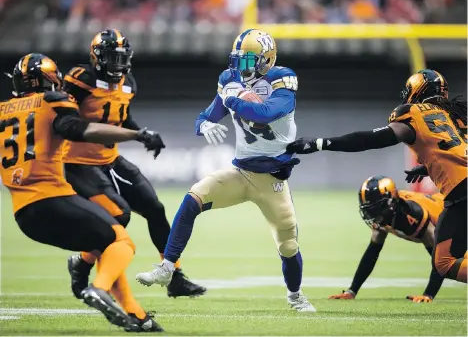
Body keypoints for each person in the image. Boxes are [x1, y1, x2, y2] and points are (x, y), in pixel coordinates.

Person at [136, 29, 316, 312]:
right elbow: (205, 116)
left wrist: (234, 98)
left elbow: (266, 113)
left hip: (273, 181)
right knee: (192, 198)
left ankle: (295, 296)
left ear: (266, 60)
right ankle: (167, 267)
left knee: (288, 245)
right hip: (241, 172)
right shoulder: (230, 79)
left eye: (247, 61)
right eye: (238, 60)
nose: (239, 67)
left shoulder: (282, 78)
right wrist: (205, 125)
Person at [0, 53, 164, 331]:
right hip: (53, 199)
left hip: (23, 214)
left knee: (104, 244)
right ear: (52, 80)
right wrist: (134, 135)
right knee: (122, 242)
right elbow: (76, 128)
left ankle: (136, 316)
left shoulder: (3, 109)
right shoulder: (51, 101)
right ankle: (98, 288)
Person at [62, 29, 206, 299]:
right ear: (96, 57)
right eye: (111, 58)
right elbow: (65, 119)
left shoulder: (128, 83)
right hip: (78, 162)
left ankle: (173, 276)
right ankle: (82, 264)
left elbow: (121, 118)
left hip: (111, 159)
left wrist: (143, 135)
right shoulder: (81, 79)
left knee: (154, 208)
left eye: (121, 58)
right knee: (119, 216)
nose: (117, 64)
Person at [287, 69, 467, 283]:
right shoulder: (455, 116)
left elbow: (371, 139)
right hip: (460, 189)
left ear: (417, 90)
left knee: (444, 262)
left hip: (460, 192)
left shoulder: (414, 113)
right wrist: (429, 166)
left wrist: (321, 143)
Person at [329, 176, 445, 303]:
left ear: (391, 202)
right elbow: (371, 254)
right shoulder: (386, 214)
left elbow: (441, 258)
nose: (372, 215)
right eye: (368, 209)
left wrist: (429, 294)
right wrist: (352, 291)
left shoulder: (412, 214)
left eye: (375, 208)